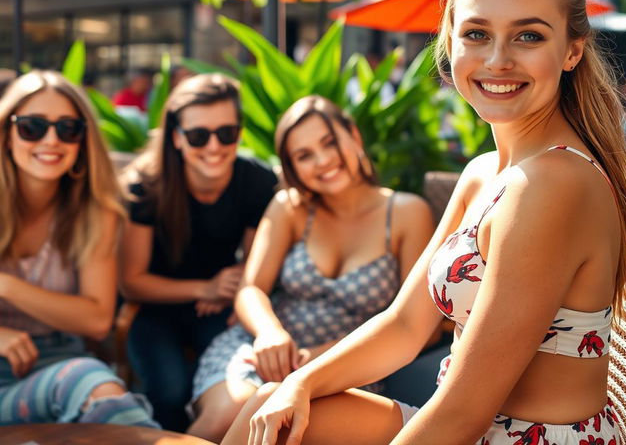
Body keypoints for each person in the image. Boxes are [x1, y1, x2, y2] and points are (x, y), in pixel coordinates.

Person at [220, 0, 626, 445]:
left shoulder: (552, 185)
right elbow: (404, 326)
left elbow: (461, 416)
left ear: (572, 51)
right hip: (476, 426)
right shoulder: (485, 173)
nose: (497, 60)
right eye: (476, 33)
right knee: (273, 406)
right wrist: (299, 382)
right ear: (450, 40)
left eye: (529, 35)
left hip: (515, 436)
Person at [187, 95, 433, 441]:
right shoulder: (290, 207)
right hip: (264, 351)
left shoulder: (407, 213)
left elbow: (422, 323)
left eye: (329, 143)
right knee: (227, 414)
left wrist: (320, 357)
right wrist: (269, 333)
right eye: (303, 156)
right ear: (292, 167)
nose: (322, 161)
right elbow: (250, 288)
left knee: (276, 420)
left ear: (354, 136)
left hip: (348, 365)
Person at [119, 73, 278, 431]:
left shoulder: (256, 181)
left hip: (219, 308)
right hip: (152, 309)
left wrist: (231, 285)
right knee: (169, 390)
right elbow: (132, 283)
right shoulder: (144, 187)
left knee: (234, 384)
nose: (214, 146)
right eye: (197, 135)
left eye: (227, 133)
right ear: (176, 137)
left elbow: (256, 266)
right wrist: (204, 288)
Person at [0, 70, 158, 427]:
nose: (52, 140)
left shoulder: (95, 211)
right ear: (7, 136)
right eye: (32, 127)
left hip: (61, 365)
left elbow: (96, 319)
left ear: (82, 140)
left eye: (68, 128)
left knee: (94, 385)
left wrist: (6, 286)